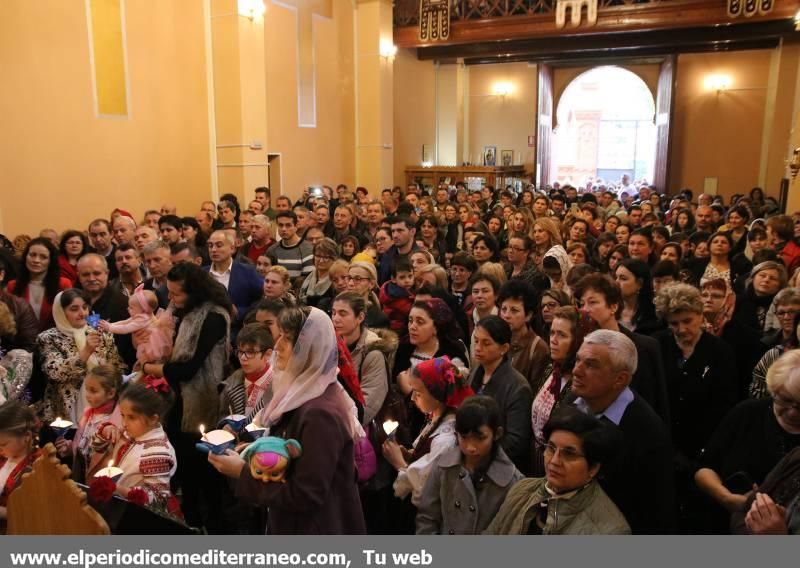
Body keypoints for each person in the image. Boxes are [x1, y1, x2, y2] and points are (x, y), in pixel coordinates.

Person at [209, 307, 367, 534]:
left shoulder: (320, 412)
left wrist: (242, 472)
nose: (278, 345)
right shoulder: (301, 393)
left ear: (311, 348)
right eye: (280, 334)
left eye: (289, 338)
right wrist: (258, 451)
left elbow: (306, 493)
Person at [140, 262, 232, 531]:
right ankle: (190, 526)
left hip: (203, 402)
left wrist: (151, 368)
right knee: (187, 474)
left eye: (177, 294)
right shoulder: (188, 313)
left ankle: (213, 531)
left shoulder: (213, 317)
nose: (172, 299)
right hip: (181, 400)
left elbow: (189, 368)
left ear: (195, 291)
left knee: (205, 476)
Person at [570, 329, 676, 533]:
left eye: (590, 364)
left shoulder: (648, 434)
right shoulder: (571, 404)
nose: (576, 370)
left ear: (620, 379)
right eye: (577, 360)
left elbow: (655, 516)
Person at [695, 350, 800, 533]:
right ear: (773, 390)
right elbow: (703, 468)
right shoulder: (747, 413)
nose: (792, 412)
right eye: (784, 400)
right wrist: (726, 498)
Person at [484, 406, 629, 535]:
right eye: (551, 448)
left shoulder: (610, 531)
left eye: (569, 454)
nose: (554, 461)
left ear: (593, 468)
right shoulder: (521, 489)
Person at [382, 356, 474, 531]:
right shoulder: (438, 417)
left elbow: (428, 489)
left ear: (437, 394)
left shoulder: (447, 439)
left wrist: (399, 464)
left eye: (418, 392)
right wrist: (410, 455)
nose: (412, 398)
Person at [416, 396, 523, 535]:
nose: (471, 447)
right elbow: (427, 518)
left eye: (480, 438)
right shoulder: (443, 466)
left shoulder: (512, 482)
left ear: (497, 434)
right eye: (464, 437)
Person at [572, 274, 670, 423]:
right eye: (581, 304)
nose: (585, 310)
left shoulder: (644, 347)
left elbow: (656, 403)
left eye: (592, 303)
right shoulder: (581, 345)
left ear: (613, 306)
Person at [37, 289, 124, 424]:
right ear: (61, 311)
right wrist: (85, 352)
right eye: (74, 309)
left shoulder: (100, 333)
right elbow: (55, 373)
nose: (82, 313)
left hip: (104, 409)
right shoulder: (48, 338)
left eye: (84, 307)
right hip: (66, 412)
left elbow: (117, 368)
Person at [531, 307, 597, 475]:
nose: (553, 340)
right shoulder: (550, 370)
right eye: (552, 333)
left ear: (578, 341)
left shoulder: (583, 383)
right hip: (537, 460)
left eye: (562, 335)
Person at [469, 316, 532, 472]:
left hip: (499, 467)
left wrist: (481, 456)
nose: (478, 347)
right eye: (476, 341)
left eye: (486, 343)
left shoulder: (517, 387)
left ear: (503, 348)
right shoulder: (477, 372)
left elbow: (515, 442)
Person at [111, 376, 179, 517]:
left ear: (154, 418)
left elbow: (158, 499)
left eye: (131, 417)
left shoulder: (156, 452)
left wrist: (119, 489)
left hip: (140, 516)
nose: (123, 423)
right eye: (122, 415)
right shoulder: (139, 432)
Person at [54, 364, 122, 483]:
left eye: (93, 391)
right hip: (80, 476)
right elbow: (84, 443)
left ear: (111, 393)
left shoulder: (116, 422)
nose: (87, 395)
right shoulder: (89, 413)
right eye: (87, 389)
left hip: (99, 483)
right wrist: (69, 447)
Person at [497, 280, 550, 396]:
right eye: (503, 309)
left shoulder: (538, 348)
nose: (506, 315)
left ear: (528, 315)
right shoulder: (497, 341)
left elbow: (535, 392)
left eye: (514, 310)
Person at [98, 286, 174, 367]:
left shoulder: (142, 319)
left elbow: (126, 328)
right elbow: (125, 322)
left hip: (150, 344)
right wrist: (110, 324)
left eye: (131, 307)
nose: (128, 309)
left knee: (147, 360)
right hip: (144, 340)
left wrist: (110, 328)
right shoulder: (142, 315)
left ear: (143, 310)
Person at [7, 238, 71, 332]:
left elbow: (69, 318)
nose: (36, 260)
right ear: (25, 257)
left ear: (50, 261)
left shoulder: (63, 284)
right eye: (32, 255)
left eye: (43, 257)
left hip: (53, 341)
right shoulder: (12, 286)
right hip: (21, 341)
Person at [219, 323, 275, 424]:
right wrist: (225, 425)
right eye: (240, 351)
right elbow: (222, 415)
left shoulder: (278, 386)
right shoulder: (231, 383)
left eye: (250, 352)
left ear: (267, 354)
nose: (243, 358)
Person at [206, 230, 264, 323]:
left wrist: (240, 312)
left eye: (219, 245)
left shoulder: (247, 271)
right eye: (210, 246)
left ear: (232, 248)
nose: (213, 249)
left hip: (237, 328)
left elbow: (262, 298)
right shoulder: (202, 273)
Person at [0, 401, 43, 525]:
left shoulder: (39, 464)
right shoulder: (4, 456)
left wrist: (4, 512)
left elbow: (37, 511)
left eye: (3, 444)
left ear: (26, 436)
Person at [266, 211, 314, 290]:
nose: (284, 229)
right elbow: (268, 277)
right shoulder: (272, 250)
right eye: (280, 225)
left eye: (288, 225)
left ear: (296, 226)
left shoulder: (307, 249)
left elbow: (307, 281)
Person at [614, 258, 659, 335]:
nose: (616, 282)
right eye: (616, 277)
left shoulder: (655, 315)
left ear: (640, 283)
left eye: (623, 278)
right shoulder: (610, 310)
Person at [298, 239, 338, 308]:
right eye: (318, 256)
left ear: (334, 259)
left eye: (326, 257)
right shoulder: (305, 278)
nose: (321, 260)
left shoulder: (336, 282)